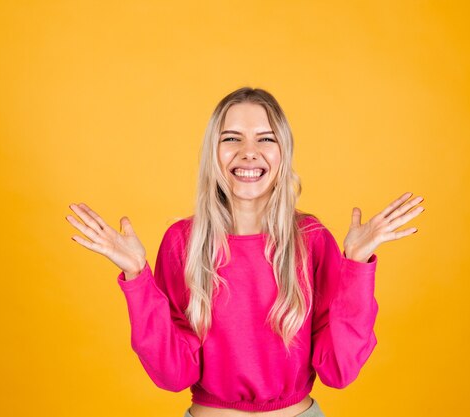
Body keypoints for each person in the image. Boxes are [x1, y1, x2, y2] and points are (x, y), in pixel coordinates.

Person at [65, 87, 424, 417]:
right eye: (231, 138)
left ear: (283, 152)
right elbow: (172, 374)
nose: (248, 151)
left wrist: (357, 267)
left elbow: (339, 370)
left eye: (265, 139)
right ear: (213, 152)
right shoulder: (182, 243)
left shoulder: (312, 240)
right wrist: (136, 276)